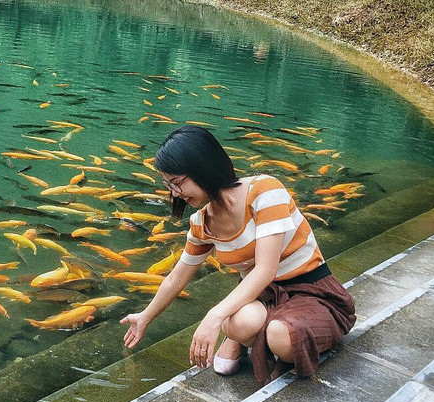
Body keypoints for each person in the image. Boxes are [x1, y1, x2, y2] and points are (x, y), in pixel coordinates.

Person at [121, 126, 355, 384]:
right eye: (169, 185)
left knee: (280, 336)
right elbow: (176, 279)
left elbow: (265, 270)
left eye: (177, 183)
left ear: (203, 167)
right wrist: (145, 317)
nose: (175, 193)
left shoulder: (265, 191)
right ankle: (245, 339)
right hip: (261, 296)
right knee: (239, 323)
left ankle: (258, 342)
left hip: (312, 291)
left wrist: (215, 315)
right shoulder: (202, 223)